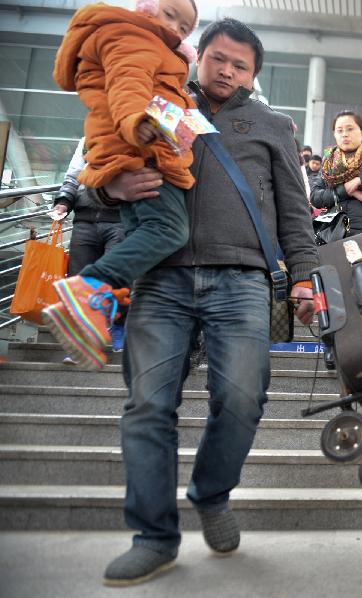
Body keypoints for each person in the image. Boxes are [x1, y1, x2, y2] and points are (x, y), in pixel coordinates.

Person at [88, 18, 319, 586]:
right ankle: (154, 537)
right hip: (160, 279)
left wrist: (305, 278)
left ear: (254, 74)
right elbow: (99, 164)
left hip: (241, 279)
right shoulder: (157, 105)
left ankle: (212, 494)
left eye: (240, 65)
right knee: (147, 406)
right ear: (198, 56)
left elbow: (294, 208)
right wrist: (106, 187)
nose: (226, 71)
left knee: (242, 398)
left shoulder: (271, 126)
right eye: (218, 58)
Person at [44, 0, 201, 370]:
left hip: (140, 151)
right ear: (145, 7)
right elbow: (127, 82)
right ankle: (89, 286)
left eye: (185, 26)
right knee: (168, 229)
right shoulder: (136, 36)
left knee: (147, 232)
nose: (176, 28)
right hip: (140, 151)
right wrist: (137, 121)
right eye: (170, 14)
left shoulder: (148, 43)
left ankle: (92, 312)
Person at [50, 138, 127, 354]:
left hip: (120, 219)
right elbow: (73, 175)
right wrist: (64, 201)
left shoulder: (134, 136)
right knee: (79, 280)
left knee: (116, 278)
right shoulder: (87, 139)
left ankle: (119, 325)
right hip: (85, 219)